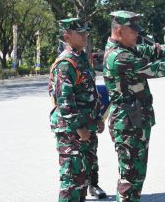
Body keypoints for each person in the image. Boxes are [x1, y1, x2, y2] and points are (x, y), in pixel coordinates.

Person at [103, 10, 165, 202]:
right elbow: (151, 69)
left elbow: (150, 50)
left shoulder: (127, 48)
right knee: (130, 178)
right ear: (120, 31)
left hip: (134, 122)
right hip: (127, 125)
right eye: (133, 32)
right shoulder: (118, 56)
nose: (137, 35)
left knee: (136, 176)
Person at [48, 18, 105, 202]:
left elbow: (89, 92)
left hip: (86, 127)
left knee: (82, 179)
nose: (85, 35)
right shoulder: (66, 63)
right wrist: (79, 127)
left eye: (86, 32)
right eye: (80, 33)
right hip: (72, 131)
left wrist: (97, 119)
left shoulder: (81, 57)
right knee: (71, 181)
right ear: (67, 35)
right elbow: (64, 99)